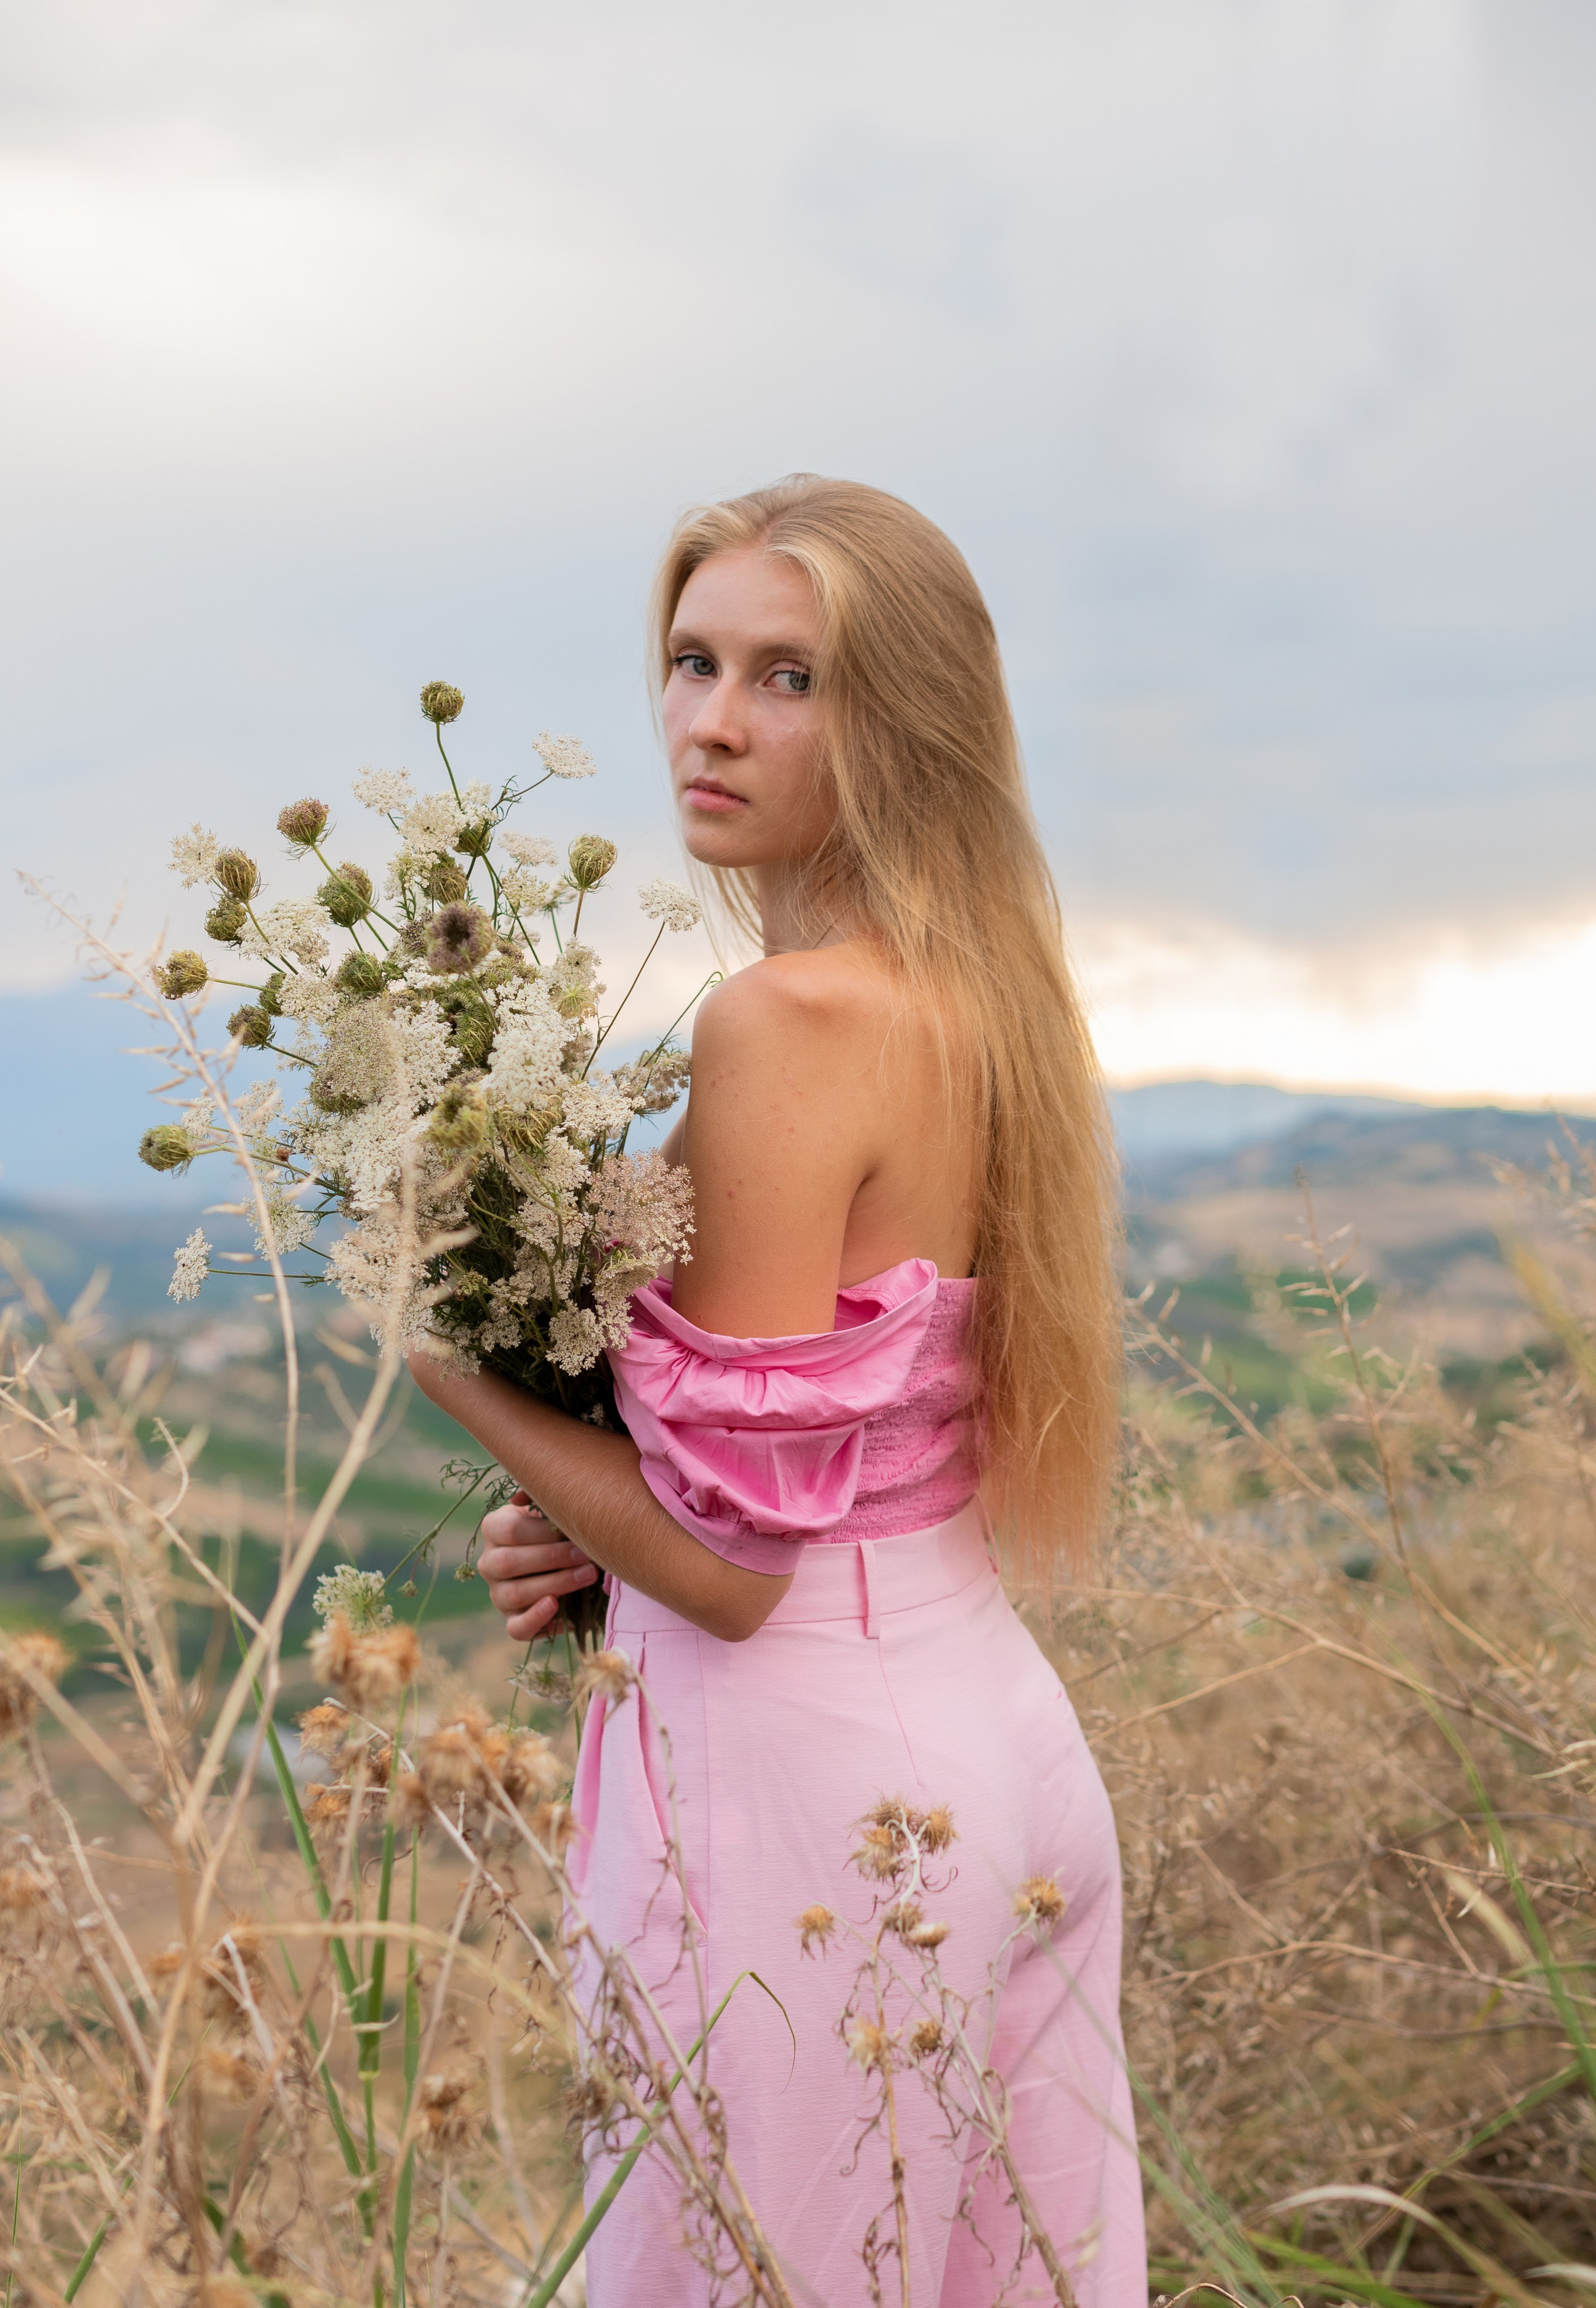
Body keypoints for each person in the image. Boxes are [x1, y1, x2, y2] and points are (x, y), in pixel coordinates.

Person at [408, 475, 1147, 2306]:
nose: (713, 722)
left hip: (814, 1788)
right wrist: (583, 1523)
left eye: (789, 677)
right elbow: (841, 1451)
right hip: (994, 1738)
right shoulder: (979, 999)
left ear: (903, 724)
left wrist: (448, 1369)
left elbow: (737, 1566)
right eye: (692, 660)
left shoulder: (787, 1022)